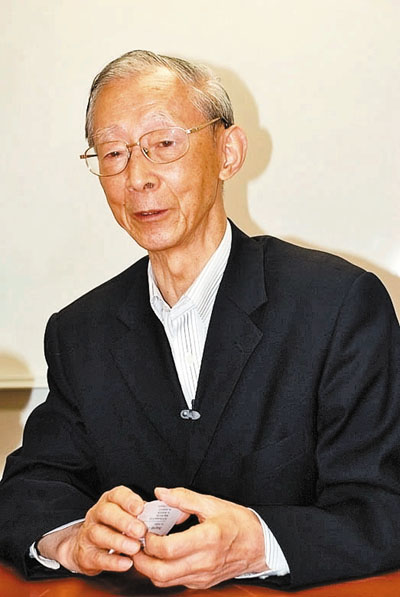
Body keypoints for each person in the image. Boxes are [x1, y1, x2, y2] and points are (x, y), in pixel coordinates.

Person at [0, 50, 399, 591]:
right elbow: (30, 487)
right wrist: (73, 538)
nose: (137, 177)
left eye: (164, 144)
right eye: (113, 153)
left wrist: (258, 543)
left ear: (228, 152)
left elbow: (383, 506)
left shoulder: (338, 304)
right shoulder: (80, 331)